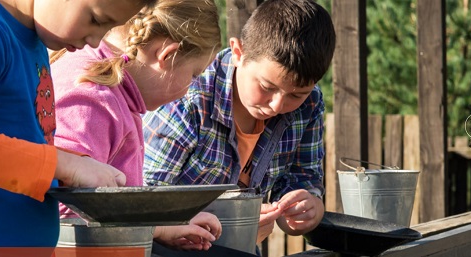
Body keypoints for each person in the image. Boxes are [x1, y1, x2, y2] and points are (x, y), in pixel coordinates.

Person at [0, 0, 156, 256]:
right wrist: (66, 164)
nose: (96, 41)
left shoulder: (31, 37)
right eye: (96, 20)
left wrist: (82, 165)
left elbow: (24, 145)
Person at [142, 0, 336, 245]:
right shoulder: (189, 98)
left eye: (296, 95)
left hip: (239, 247)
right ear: (238, 53)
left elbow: (302, 177)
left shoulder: (310, 104)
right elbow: (142, 201)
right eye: (267, 87)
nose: (277, 105)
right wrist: (226, 221)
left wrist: (306, 208)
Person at [49, 0, 223, 250]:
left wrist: (165, 219)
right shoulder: (94, 99)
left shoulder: (116, 92)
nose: (190, 89)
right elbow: (68, 210)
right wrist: (159, 227)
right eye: (194, 74)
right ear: (167, 56)